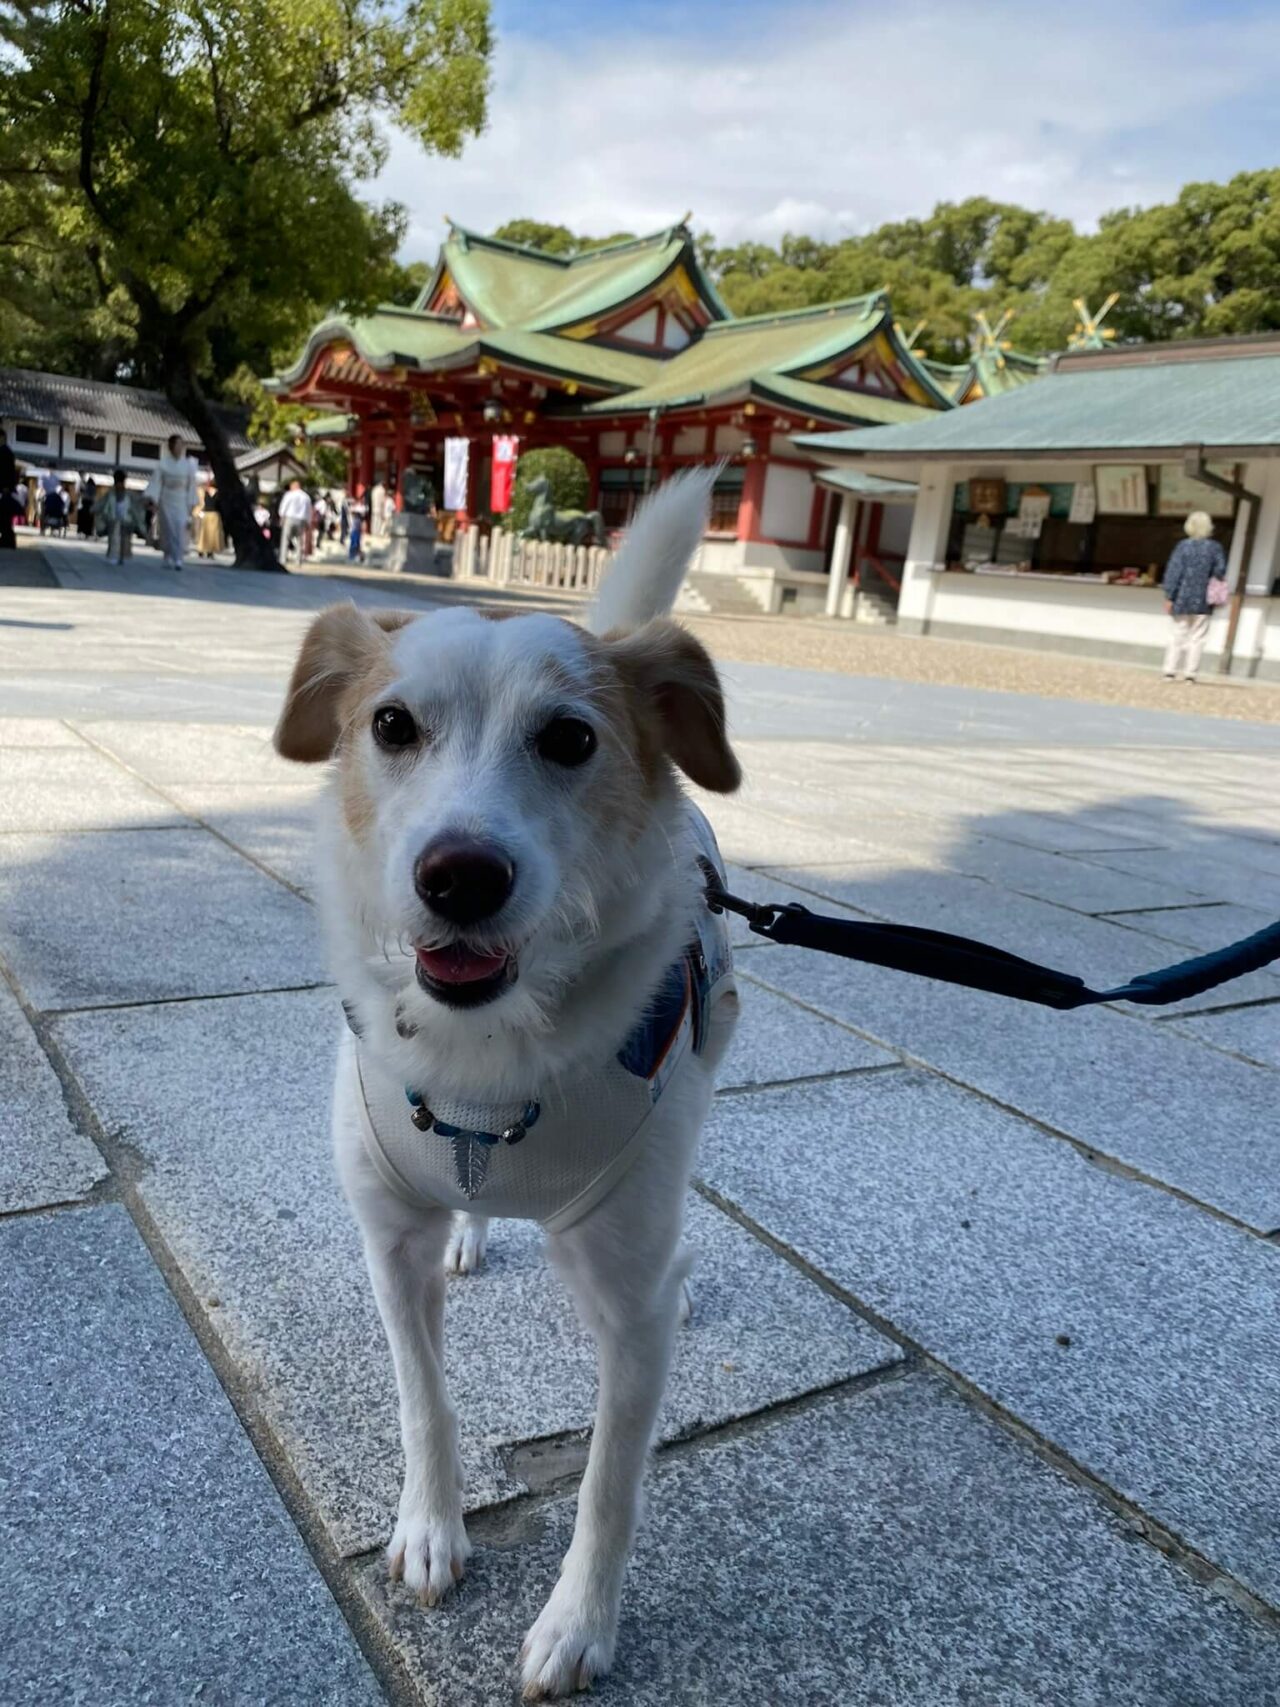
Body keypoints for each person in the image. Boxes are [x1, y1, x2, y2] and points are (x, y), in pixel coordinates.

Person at [1162, 511, 1228, 683]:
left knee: (1178, 634)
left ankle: (1170, 671)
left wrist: (1170, 596)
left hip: (1182, 597)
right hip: (1204, 599)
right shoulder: (1215, 548)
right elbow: (1220, 572)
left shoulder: (1183, 546)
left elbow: (1174, 572)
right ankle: (1191, 674)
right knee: (1198, 637)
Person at [146, 435, 198, 570]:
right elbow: (156, 482)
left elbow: (191, 485)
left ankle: (178, 558)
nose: (179, 448)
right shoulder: (163, 463)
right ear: (171, 446)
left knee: (179, 527)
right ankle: (168, 555)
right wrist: (154, 499)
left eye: (181, 445)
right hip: (167, 498)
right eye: (177, 445)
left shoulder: (187, 465)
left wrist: (191, 502)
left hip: (181, 499)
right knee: (168, 529)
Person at [97, 468, 136, 566]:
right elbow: (102, 504)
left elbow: (135, 506)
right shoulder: (112, 493)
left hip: (123, 517)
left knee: (123, 538)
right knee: (115, 537)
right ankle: (115, 556)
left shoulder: (126, 494)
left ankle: (120, 556)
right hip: (115, 517)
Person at [278, 478, 312, 566]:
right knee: (299, 541)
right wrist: (308, 522)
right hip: (301, 519)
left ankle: (283, 559)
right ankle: (298, 561)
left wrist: (281, 517)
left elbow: (283, 506)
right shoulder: (306, 497)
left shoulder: (289, 495)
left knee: (285, 539)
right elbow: (309, 511)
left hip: (289, 518)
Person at [196, 483, 225, 558]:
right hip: (215, 515)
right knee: (213, 535)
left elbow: (201, 504)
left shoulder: (204, 492)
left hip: (206, 515)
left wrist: (198, 512)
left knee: (204, 534)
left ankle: (201, 550)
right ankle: (210, 551)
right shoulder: (218, 493)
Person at [0, 427, 16, 551]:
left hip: (5, 488)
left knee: (4, 516)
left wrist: (6, 487)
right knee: (4, 517)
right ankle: (6, 539)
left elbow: (8, 472)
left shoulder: (5, 452)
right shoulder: (6, 452)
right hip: (6, 487)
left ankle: (7, 540)